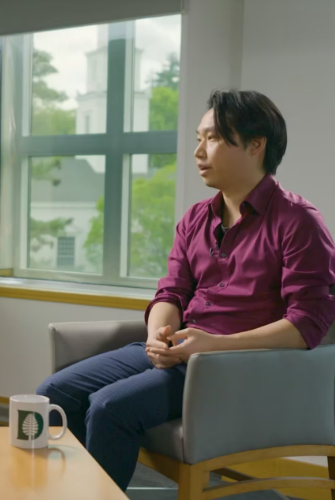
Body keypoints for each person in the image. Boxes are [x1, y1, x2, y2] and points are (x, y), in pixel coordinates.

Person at [36, 89, 335, 490]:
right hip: (180, 350)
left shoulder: (299, 222)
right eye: (199, 137)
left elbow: (307, 326)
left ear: (256, 144)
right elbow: (171, 293)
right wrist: (158, 336)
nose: (198, 151)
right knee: (54, 392)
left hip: (234, 369)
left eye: (212, 138)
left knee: (109, 408)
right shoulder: (195, 218)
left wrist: (209, 346)